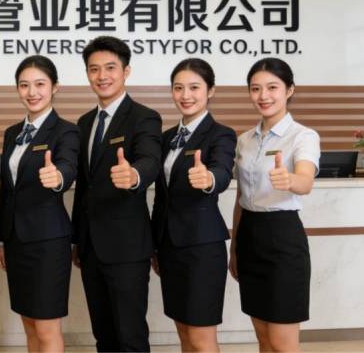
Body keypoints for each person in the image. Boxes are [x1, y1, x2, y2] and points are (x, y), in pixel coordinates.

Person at [71, 36, 162, 352]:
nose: (102, 76)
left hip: (127, 248)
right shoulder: (84, 123)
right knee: (104, 336)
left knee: (130, 336)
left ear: (126, 71)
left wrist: (134, 175)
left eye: (110, 68)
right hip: (90, 248)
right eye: (94, 69)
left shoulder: (144, 117)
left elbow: (150, 160)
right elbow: (84, 187)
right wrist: (77, 239)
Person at [229, 57, 320, 352]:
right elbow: (241, 197)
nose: (263, 96)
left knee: (283, 342)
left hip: (283, 239)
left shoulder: (303, 136)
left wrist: (290, 179)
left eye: (272, 87)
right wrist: (234, 247)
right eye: (256, 88)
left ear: (289, 90)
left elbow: (305, 181)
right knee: (264, 338)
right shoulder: (244, 140)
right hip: (249, 237)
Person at [151, 58, 237, 352]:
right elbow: (161, 196)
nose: (185, 95)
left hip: (202, 248)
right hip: (169, 247)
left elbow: (222, 171)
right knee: (185, 334)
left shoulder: (221, 134)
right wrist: (155, 243)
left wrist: (209, 178)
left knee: (201, 338)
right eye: (178, 88)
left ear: (210, 91)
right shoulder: (166, 138)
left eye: (194, 87)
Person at [0, 55, 79, 353]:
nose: (32, 92)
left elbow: (68, 166)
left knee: (46, 326)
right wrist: (1, 239)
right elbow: (7, 191)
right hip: (16, 242)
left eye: (40, 84)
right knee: (29, 323)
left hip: (48, 242)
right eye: (24, 85)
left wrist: (58, 177)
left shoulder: (66, 131)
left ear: (55, 87)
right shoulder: (12, 133)